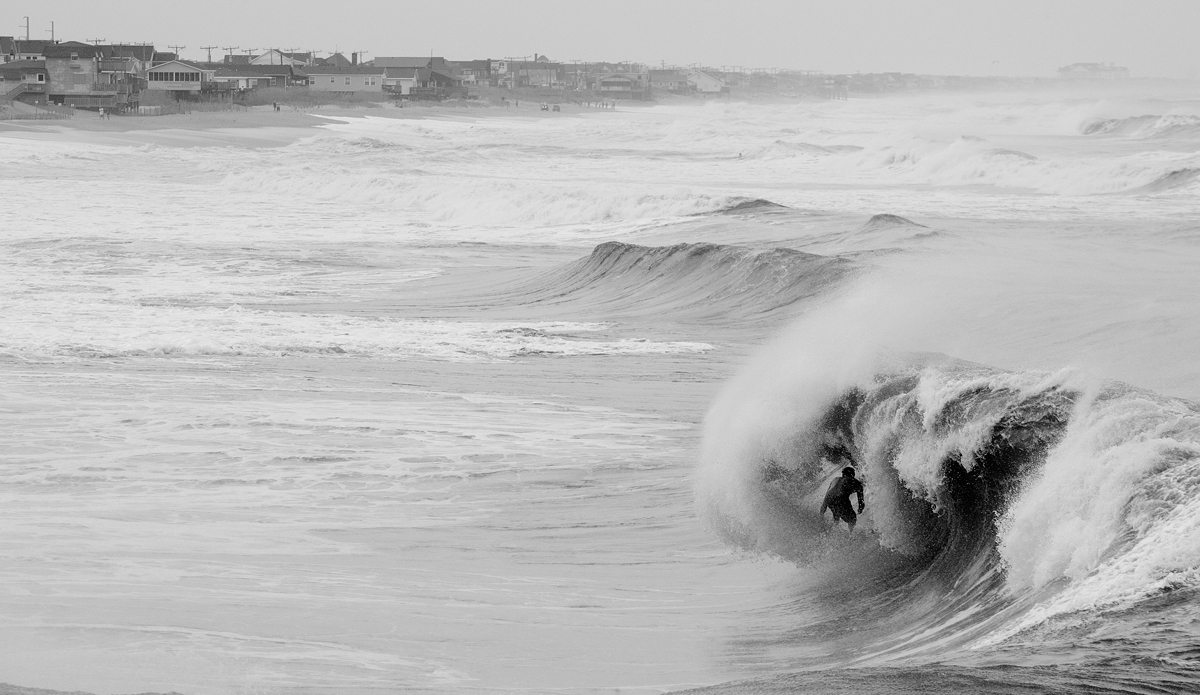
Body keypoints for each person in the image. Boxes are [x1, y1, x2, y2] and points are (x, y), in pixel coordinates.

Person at [820, 467, 865, 531]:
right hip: (840, 498)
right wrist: (860, 509)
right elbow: (861, 503)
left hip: (828, 499)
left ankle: (829, 532)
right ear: (852, 474)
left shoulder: (835, 479)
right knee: (852, 518)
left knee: (836, 515)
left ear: (843, 474)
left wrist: (822, 510)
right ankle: (851, 535)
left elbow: (828, 494)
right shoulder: (856, 482)